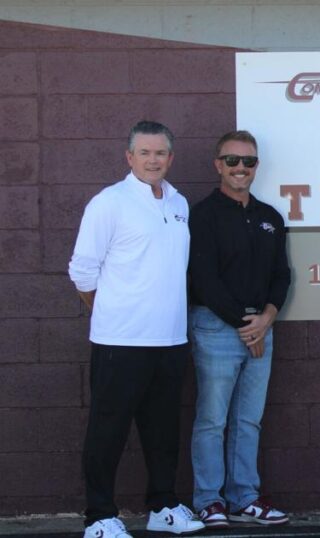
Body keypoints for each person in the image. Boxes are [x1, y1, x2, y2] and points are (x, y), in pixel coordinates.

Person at [69, 121, 205, 538]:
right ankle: (99, 517)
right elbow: (83, 272)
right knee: (108, 430)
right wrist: (111, 310)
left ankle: (162, 507)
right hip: (120, 341)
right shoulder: (109, 203)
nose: (153, 160)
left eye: (160, 153)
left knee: (164, 431)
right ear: (129, 157)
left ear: (170, 158)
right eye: (144, 153)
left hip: (169, 340)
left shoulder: (179, 202)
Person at [188, 130, 291, 528]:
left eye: (248, 162)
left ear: (256, 166)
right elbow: (203, 278)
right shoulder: (202, 215)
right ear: (218, 165)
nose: (240, 169)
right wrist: (244, 325)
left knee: (249, 419)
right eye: (232, 161)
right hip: (216, 327)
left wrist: (265, 319)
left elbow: (281, 276)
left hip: (260, 329)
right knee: (213, 419)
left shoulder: (270, 217)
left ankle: (244, 497)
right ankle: (209, 500)